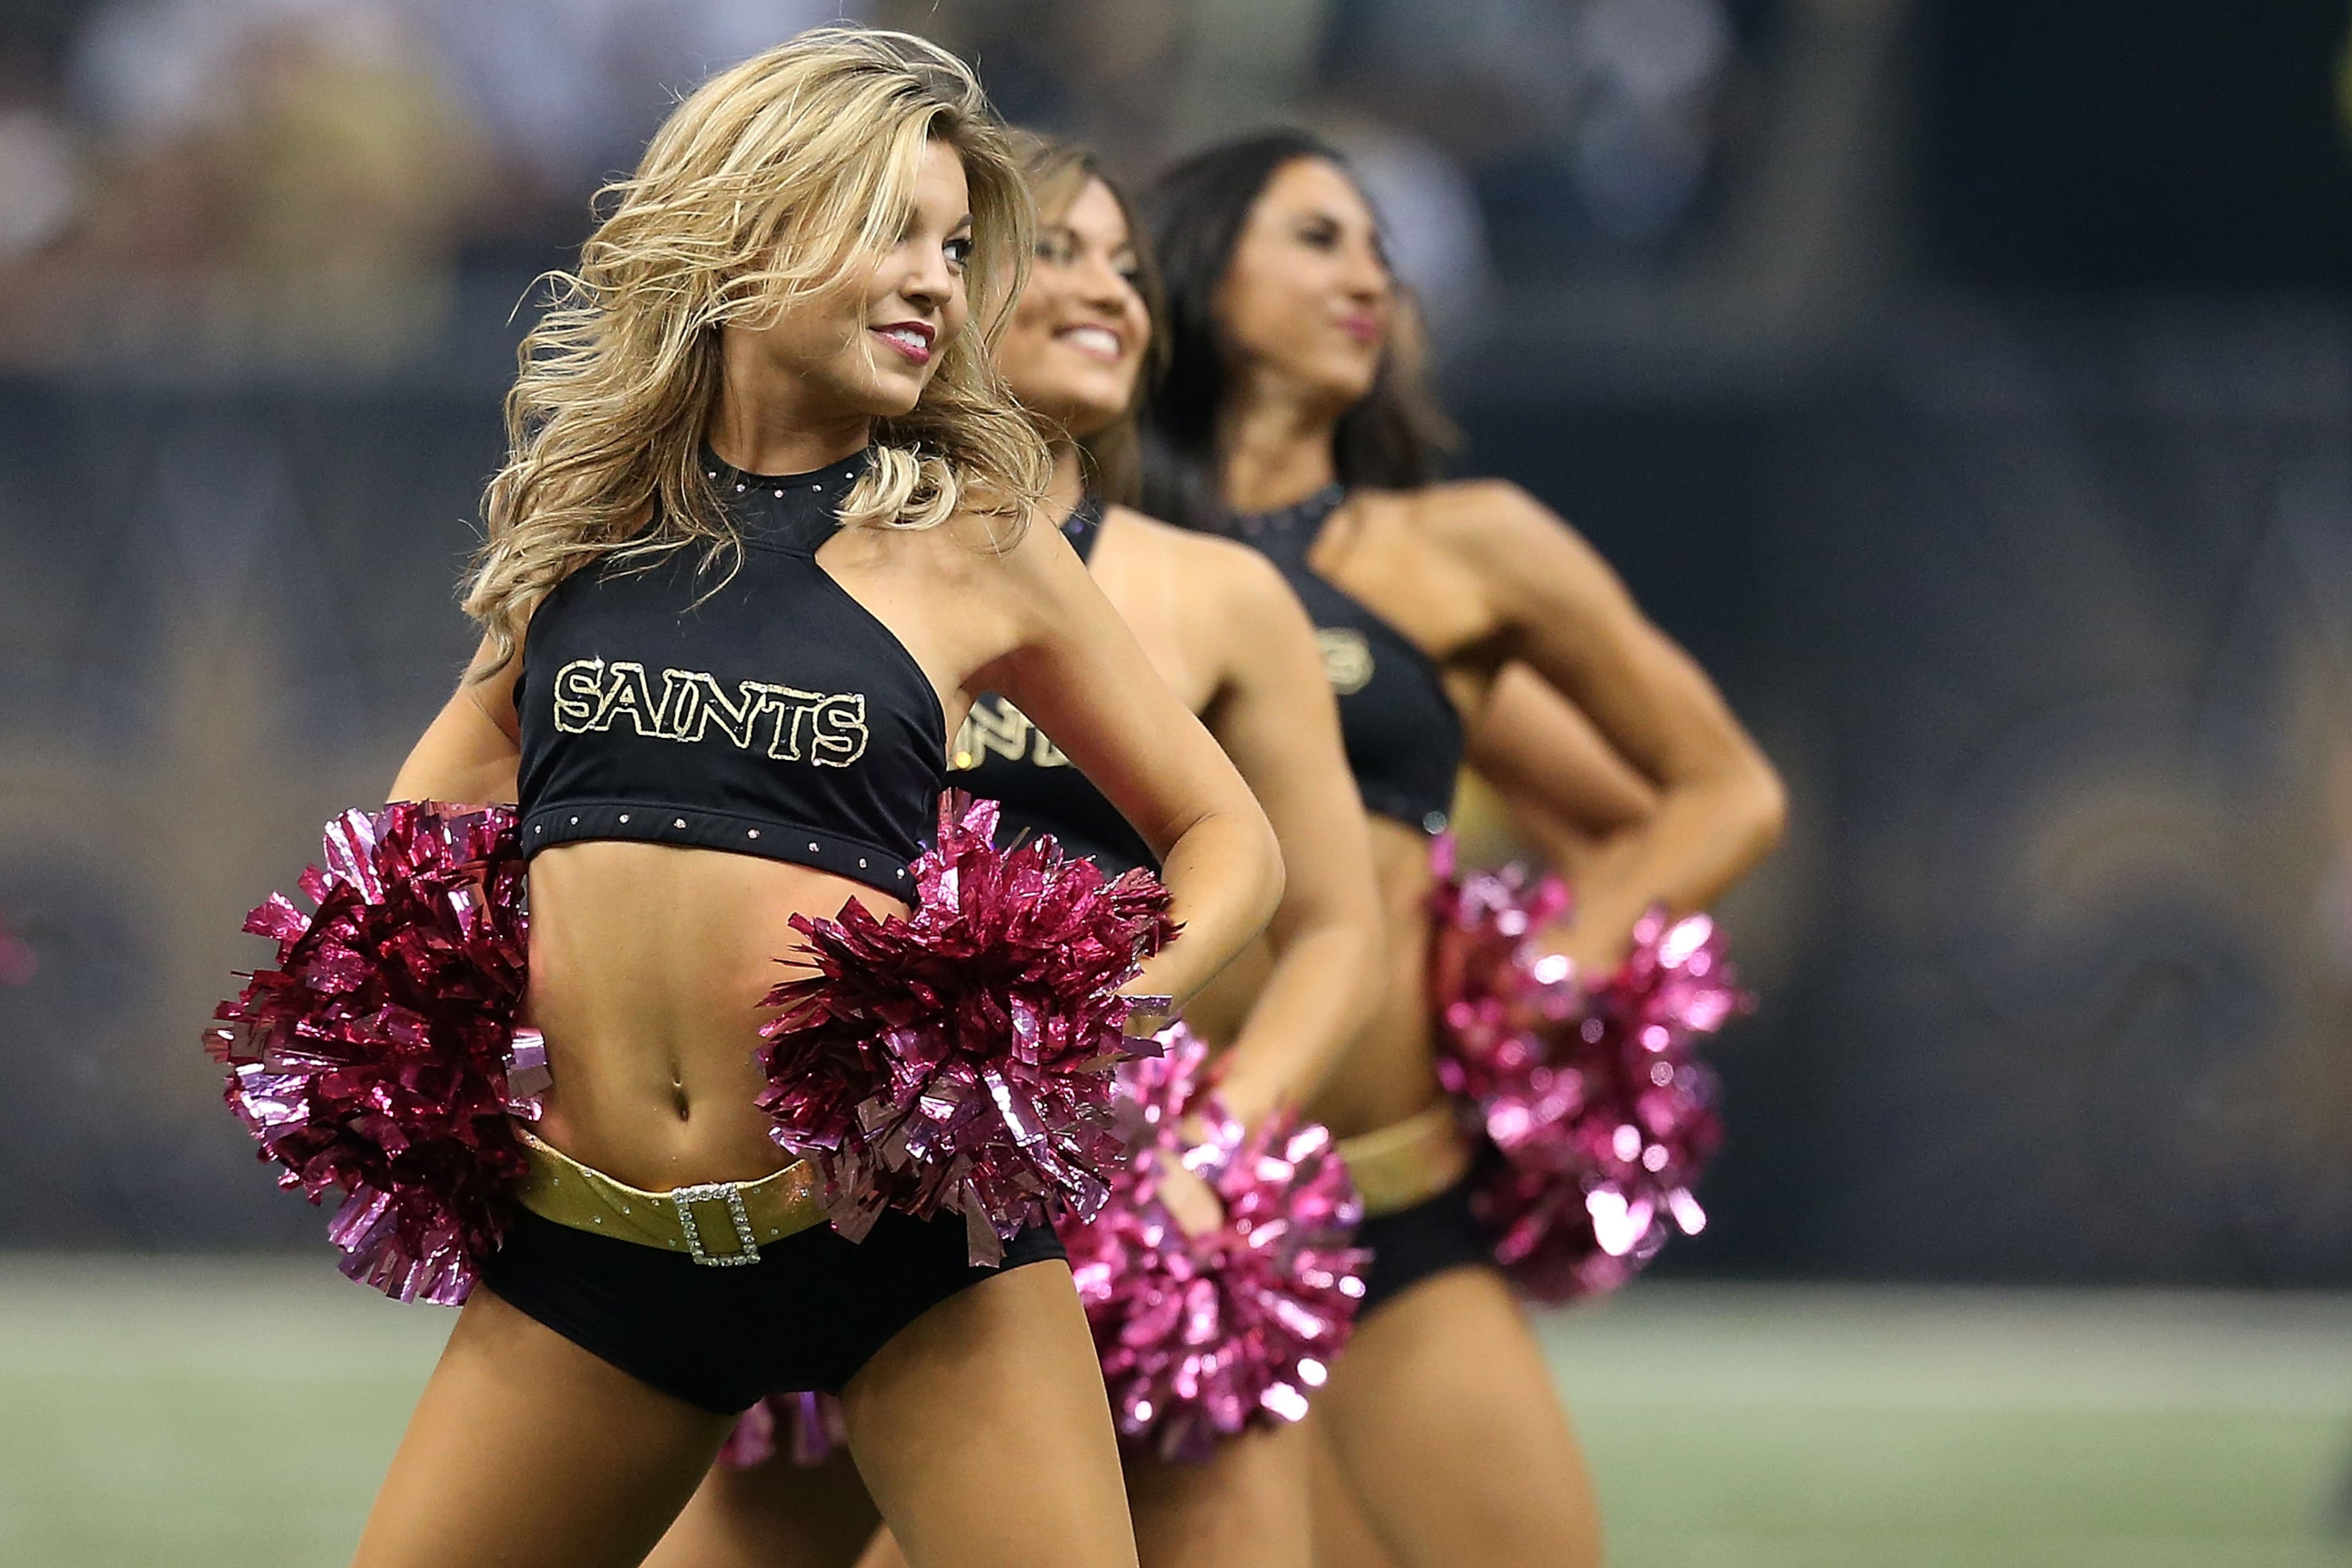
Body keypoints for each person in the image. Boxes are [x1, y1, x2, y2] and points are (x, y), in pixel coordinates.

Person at [355, 32, 1284, 1568]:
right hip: (597, 1249)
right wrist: (435, 1013)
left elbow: (1226, 836)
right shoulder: (596, 516)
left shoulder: (974, 536)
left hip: (902, 1243)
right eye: (891, 232)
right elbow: (439, 799)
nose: (937, 281)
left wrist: (1096, 1031)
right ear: (747, 229)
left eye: (957, 248)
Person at [648, 130, 1383, 1568]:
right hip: (855, 1182)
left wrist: (1208, 1134)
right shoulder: (787, 562)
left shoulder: (1224, 596)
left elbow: (1333, 927)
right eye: (1053, 250)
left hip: (1127, 1171)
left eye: (1126, 262)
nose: (1107, 288)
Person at [1139, 130, 1788, 1568]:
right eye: (1318, 236)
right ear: (1188, 266)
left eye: (1381, 246)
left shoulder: (1458, 548)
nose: (1372, 269)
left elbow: (1710, 793)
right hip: (1140, 1210)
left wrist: (1562, 959)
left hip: (1389, 1203)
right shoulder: (1084, 551)